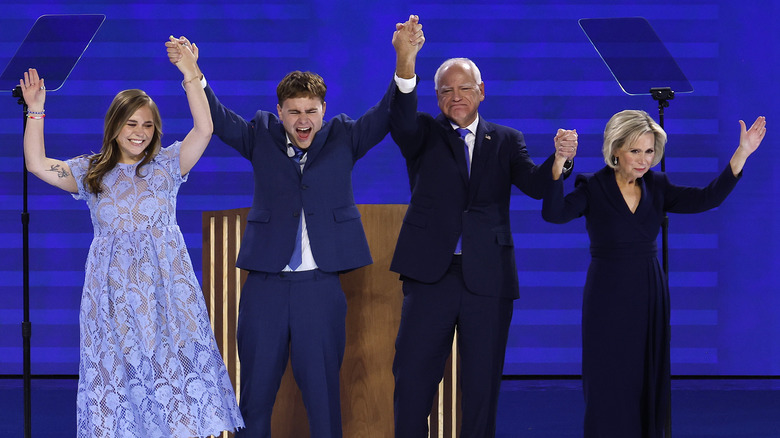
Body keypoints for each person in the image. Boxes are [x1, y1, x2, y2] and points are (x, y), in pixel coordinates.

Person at [165, 16, 425, 438]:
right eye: (294, 112)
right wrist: (192, 73)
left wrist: (405, 61)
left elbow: (389, 113)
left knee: (323, 399)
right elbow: (217, 116)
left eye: (311, 111)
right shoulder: (260, 136)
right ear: (281, 112)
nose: (303, 120)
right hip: (264, 287)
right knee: (254, 400)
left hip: (319, 289)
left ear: (323, 110)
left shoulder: (345, 136)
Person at [19, 37, 244, 438]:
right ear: (115, 125)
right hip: (112, 298)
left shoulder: (168, 165)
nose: (139, 132)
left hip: (166, 296)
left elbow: (205, 128)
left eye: (147, 124)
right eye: (131, 123)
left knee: (170, 375)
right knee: (119, 379)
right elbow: (36, 164)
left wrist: (190, 72)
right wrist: (36, 109)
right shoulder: (91, 172)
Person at [388, 22, 579, 437]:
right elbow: (399, 121)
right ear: (437, 97)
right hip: (430, 277)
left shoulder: (507, 140)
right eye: (445, 91)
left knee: (482, 385)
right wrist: (406, 60)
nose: (455, 97)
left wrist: (560, 162)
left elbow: (534, 185)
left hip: (488, 278)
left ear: (481, 91)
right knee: (413, 379)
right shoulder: (422, 133)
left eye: (464, 88)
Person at [541, 109, 767, 437]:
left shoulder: (658, 186)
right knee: (608, 377)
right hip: (607, 293)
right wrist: (559, 163)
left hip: (649, 292)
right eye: (635, 151)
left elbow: (707, 198)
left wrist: (742, 153)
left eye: (649, 151)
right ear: (615, 149)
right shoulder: (592, 187)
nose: (644, 159)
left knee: (646, 376)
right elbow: (554, 214)